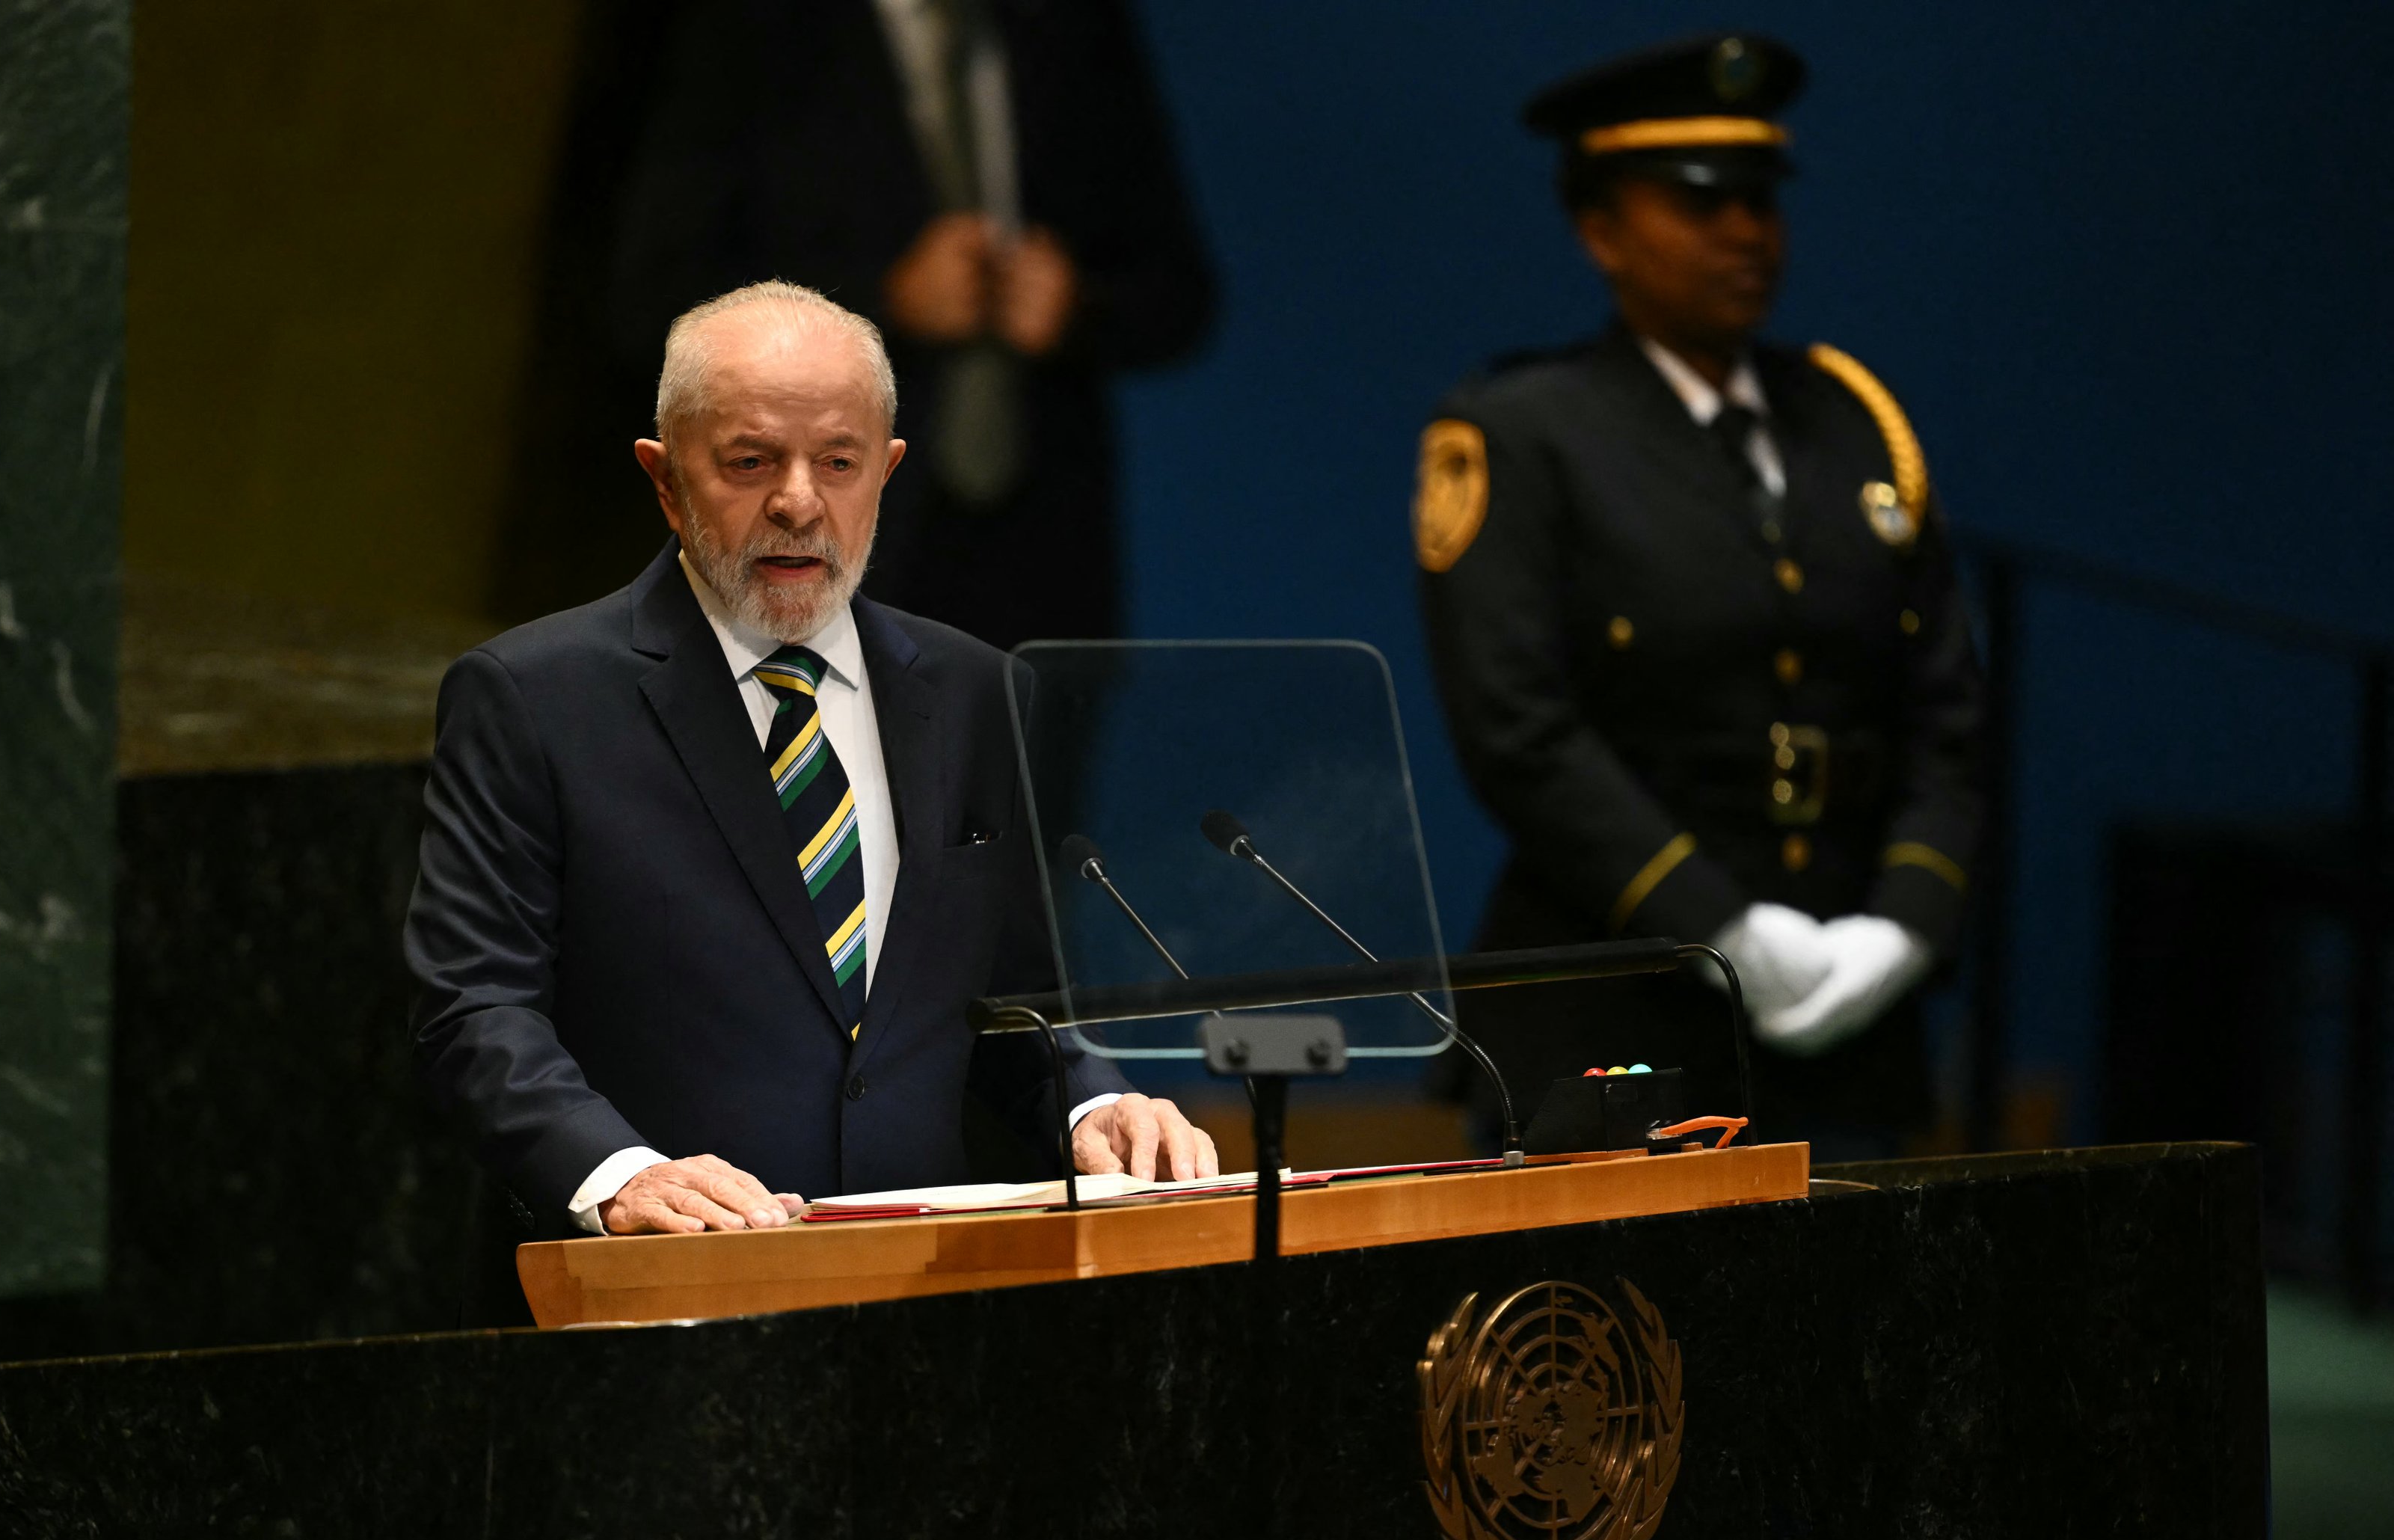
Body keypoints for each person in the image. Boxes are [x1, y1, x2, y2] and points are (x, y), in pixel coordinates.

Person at [408, 282, 1217, 1236]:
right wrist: (619, 1174)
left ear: (888, 470)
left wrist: (1096, 1104)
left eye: (839, 461)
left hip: (919, 1299)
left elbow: (1012, 1003)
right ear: (665, 480)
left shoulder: (975, 690)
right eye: (751, 461)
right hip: (648, 1303)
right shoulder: (534, 697)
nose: (798, 501)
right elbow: (473, 1007)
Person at [1416, 33, 1984, 1150]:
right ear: (1601, 230)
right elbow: (1517, 729)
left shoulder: (1854, 419)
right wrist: (1718, 923)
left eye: (1762, 201)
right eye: (1698, 202)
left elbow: (1948, 711)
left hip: (1851, 997)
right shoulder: (1523, 433)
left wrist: (1906, 927)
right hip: (1613, 992)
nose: (1745, 232)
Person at [607, 0, 1215, 648]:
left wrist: (1077, 308)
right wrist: (880, 299)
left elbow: (1179, 295)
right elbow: (654, 300)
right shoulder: (756, 29)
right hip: (803, 552)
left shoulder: (1070, 27)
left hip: (1036, 571)